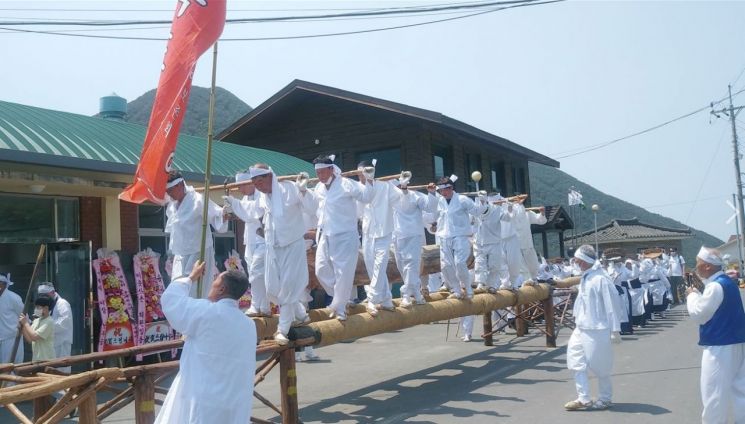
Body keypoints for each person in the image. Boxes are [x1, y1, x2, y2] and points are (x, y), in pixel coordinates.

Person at [155, 260, 256, 424]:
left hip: (203, 399)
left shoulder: (206, 311)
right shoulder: (249, 325)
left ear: (222, 289)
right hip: (234, 402)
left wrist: (191, 278)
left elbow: (171, 300)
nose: (211, 284)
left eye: (215, 281)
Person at [302, 154, 373, 321]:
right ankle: (341, 299)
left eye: (322, 172)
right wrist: (303, 191)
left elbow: (367, 197)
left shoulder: (346, 184)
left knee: (343, 274)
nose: (319, 176)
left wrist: (369, 180)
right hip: (325, 235)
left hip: (345, 235)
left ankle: (340, 308)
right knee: (320, 269)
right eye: (317, 173)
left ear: (331, 169)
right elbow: (311, 208)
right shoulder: (318, 188)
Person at [249, 164, 315, 345]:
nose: (258, 185)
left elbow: (312, 208)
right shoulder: (263, 198)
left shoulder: (290, 189)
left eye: (260, 180)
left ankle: (283, 329)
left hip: (292, 245)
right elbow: (251, 212)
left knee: (287, 288)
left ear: (270, 176)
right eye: (254, 182)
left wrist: (303, 190)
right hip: (272, 247)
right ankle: (300, 313)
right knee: (272, 288)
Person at [685, 246, 745, 424]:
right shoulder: (726, 282)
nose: (696, 267)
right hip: (736, 341)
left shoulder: (715, 286)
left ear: (708, 267)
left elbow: (699, 314)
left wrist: (692, 295)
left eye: (698, 264)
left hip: (720, 346)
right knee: (739, 388)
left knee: (713, 393)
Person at [564, 245, 622, 411]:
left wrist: (615, 329)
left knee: (600, 365)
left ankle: (605, 398)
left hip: (597, 328)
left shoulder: (601, 279)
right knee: (575, 360)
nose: (575, 262)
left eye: (577, 259)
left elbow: (612, 305)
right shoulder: (587, 276)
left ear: (585, 260)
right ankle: (583, 398)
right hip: (581, 326)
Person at [164, 170, 228, 299]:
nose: (168, 193)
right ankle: (182, 317)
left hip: (198, 251)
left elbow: (217, 214)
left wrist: (225, 214)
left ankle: (198, 315)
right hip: (180, 253)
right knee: (177, 285)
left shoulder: (198, 199)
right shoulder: (172, 205)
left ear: (180, 185)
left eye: (170, 189)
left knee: (196, 289)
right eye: (167, 191)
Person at [356, 160, 403, 316]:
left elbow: (400, 200)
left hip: (384, 231)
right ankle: (386, 299)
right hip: (368, 232)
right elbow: (357, 211)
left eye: (365, 172)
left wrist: (398, 185)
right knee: (372, 267)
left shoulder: (385, 186)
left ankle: (373, 299)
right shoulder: (358, 189)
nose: (361, 176)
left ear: (372, 171)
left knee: (380, 265)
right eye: (359, 173)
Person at [223, 171, 270, 317]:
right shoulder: (245, 198)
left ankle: (256, 305)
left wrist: (234, 203)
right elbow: (243, 212)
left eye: (242, 185)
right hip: (250, 241)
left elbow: (252, 212)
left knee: (257, 273)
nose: (240, 189)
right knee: (257, 274)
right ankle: (265, 306)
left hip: (263, 240)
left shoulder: (262, 196)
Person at [434, 175, 484, 299]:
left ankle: (467, 288)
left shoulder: (463, 200)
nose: (443, 193)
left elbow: (477, 212)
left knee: (460, 263)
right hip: (444, 237)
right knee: (446, 266)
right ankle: (456, 290)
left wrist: (482, 201)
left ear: (451, 188)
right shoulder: (439, 201)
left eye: (445, 190)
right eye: (441, 191)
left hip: (461, 236)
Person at [392, 173, 436, 308]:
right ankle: (416, 292)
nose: (400, 187)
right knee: (402, 266)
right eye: (399, 185)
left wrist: (432, 193)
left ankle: (406, 294)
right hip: (398, 236)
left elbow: (430, 207)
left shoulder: (417, 196)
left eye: (403, 184)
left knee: (412, 265)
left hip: (413, 235)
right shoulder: (392, 197)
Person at [472, 193, 511, 293]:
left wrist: (510, 206)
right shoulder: (475, 208)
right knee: (479, 263)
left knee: (495, 264)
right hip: (479, 241)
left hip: (494, 241)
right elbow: (470, 220)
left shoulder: (498, 209)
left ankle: (491, 285)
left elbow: (508, 218)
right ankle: (480, 283)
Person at [37, 283, 72, 373]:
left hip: (61, 343)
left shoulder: (62, 303)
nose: (43, 297)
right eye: (41, 295)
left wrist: (46, 327)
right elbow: (38, 319)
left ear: (52, 292)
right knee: (49, 369)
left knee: (61, 369)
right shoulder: (43, 304)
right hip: (48, 343)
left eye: (45, 295)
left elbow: (64, 322)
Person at [511, 201, 547, 282]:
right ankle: (526, 280)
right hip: (516, 244)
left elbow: (540, 220)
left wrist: (542, 213)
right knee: (521, 266)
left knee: (533, 264)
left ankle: (534, 278)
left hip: (527, 242)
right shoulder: (510, 214)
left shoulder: (527, 213)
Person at [18, 296, 55, 362]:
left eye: (38, 307)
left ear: (46, 308)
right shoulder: (36, 321)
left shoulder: (49, 321)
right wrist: (23, 327)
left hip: (47, 359)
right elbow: (30, 339)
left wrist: (26, 323)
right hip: (36, 359)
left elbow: (34, 336)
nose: (36, 309)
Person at [0, 273, 24, 363]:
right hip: (2, 337)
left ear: (4, 284)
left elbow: (23, 316)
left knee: (11, 365)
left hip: (12, 337)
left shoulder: (14, 298)